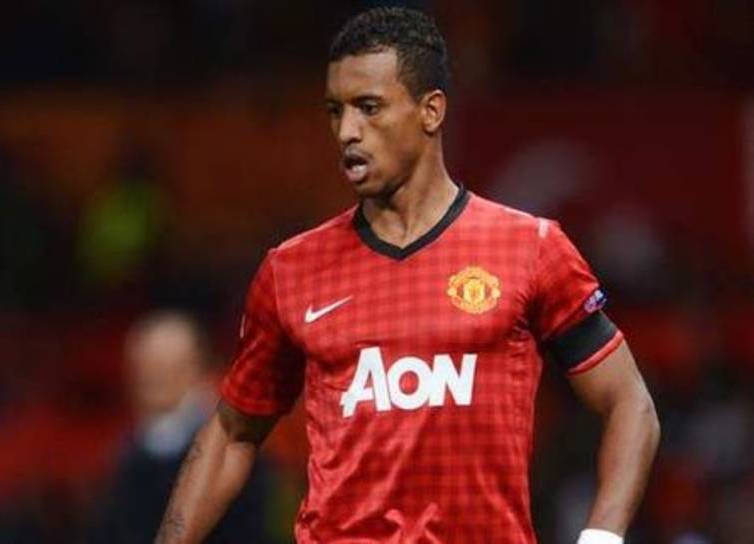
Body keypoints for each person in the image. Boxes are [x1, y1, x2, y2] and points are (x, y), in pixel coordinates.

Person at [156, 7, 660, 544]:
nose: (347, 131)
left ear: (430, 111)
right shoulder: (292, 270)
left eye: (368, 107)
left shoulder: (529, 248)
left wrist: (602, 536)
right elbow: (232, 432)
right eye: (335, 111)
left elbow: (629, 404)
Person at [89, 312, 270, 543]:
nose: (152, 379)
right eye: (145, 368)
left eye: (165, 368)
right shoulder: (122, 456)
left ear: (197, 371)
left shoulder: (233, 452)